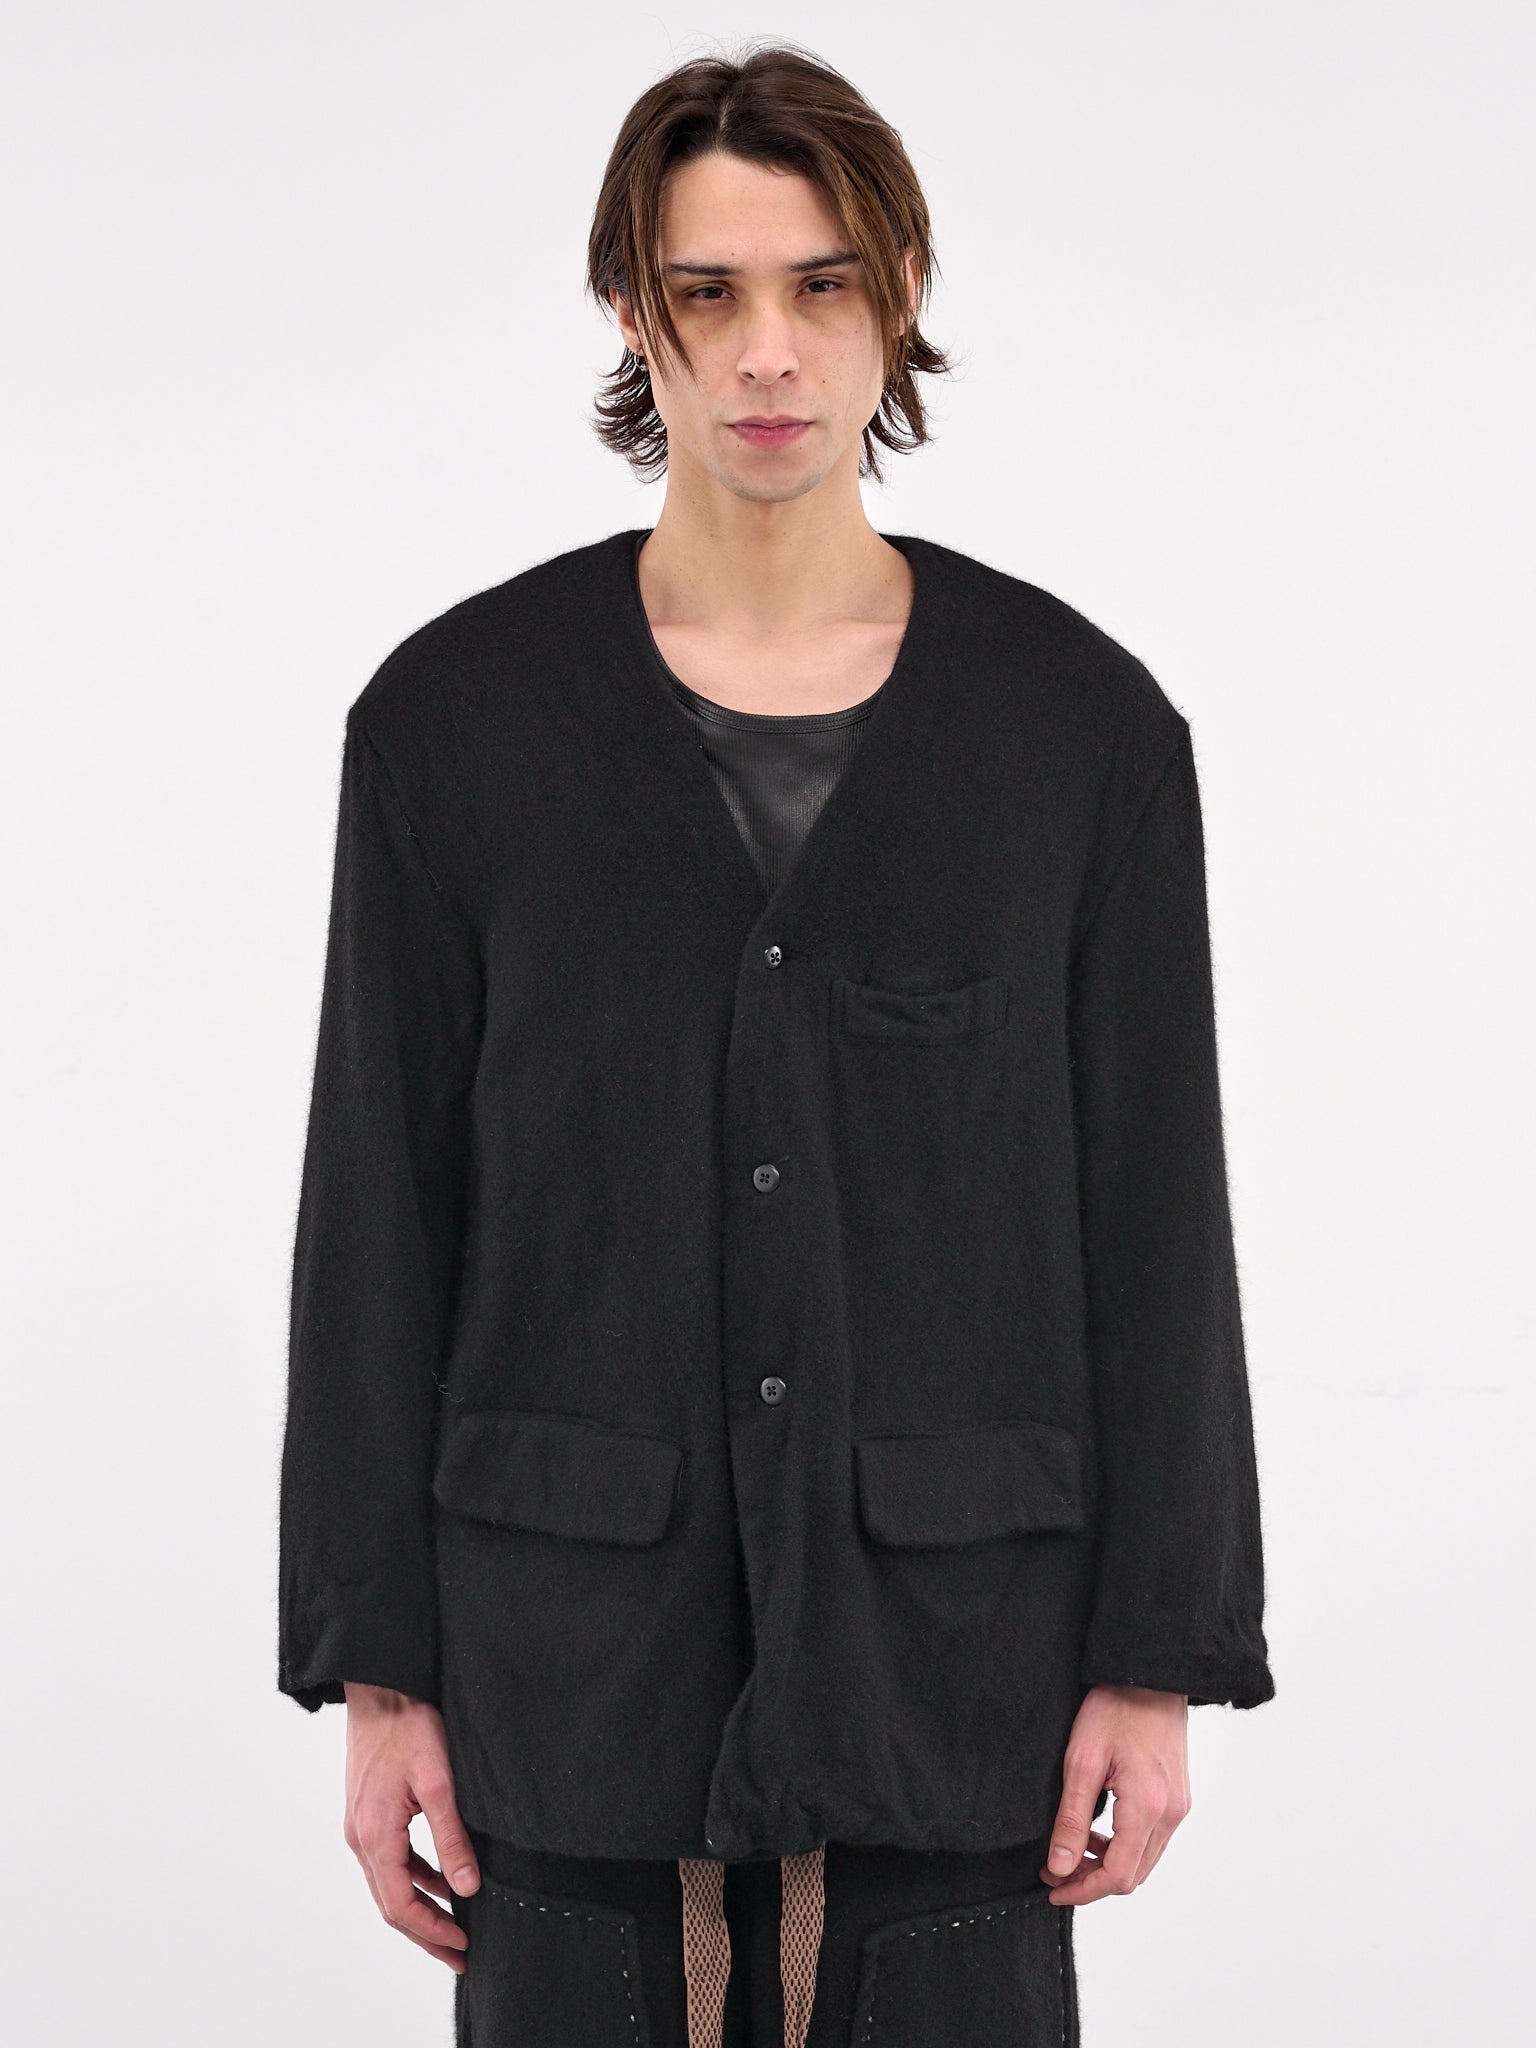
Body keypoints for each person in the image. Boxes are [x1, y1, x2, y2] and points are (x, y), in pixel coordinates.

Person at [278, 40, 1275, 2048]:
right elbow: (380, 1214)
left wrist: (1156, 1657)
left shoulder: (1077, 737)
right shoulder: (455, 730)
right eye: (707, 291)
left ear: (896, 297)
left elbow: (1159, 1222)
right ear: (630, 310)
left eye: (822, 286)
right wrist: (380, 1678)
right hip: (568, 1693)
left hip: (958, 1692)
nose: (766, 353)